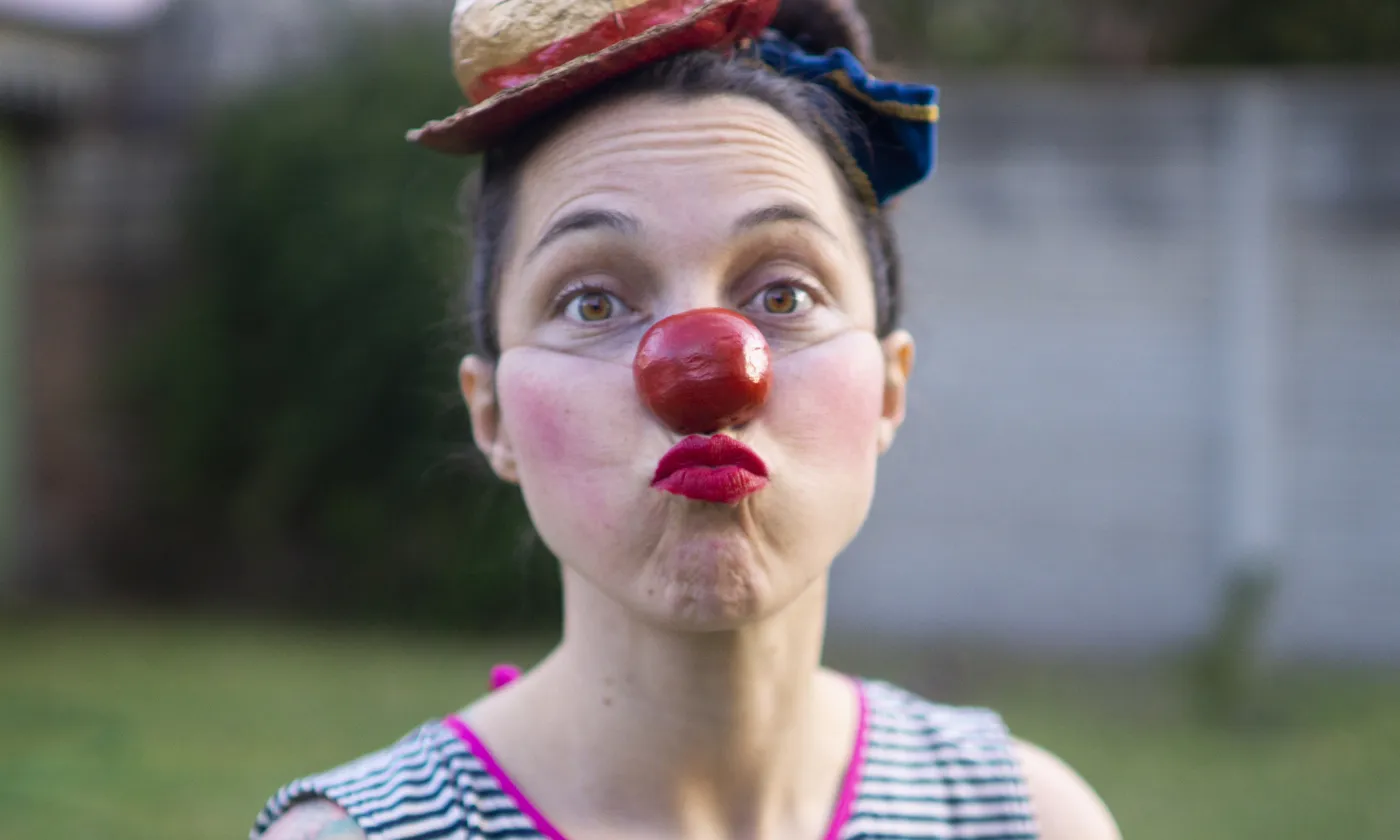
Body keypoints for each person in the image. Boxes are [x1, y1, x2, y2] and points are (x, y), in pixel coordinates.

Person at [252, 1, 1121, 838]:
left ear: (889, 389)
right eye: (592, 302)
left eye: (784, 294)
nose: (702, 373)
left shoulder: (1027, 822)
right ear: (494, 418)